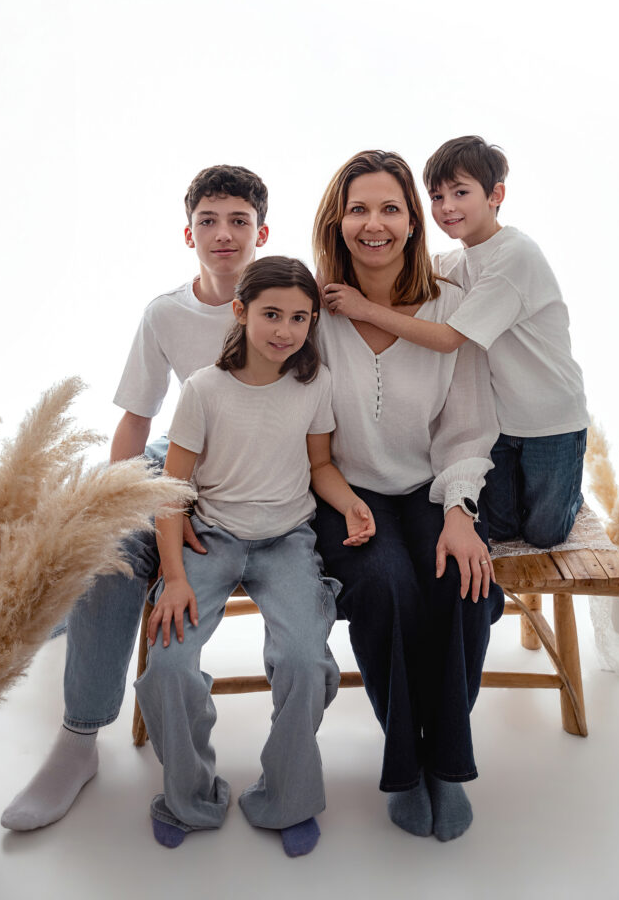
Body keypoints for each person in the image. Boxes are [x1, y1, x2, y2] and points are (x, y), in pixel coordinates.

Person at [1, 164, 270, 832]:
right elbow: (137, 420)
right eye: (209, 220)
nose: (224, 234)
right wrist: (110, 503)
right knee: (108, 549)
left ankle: (73, 624)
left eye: (239, 220)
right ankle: (79, 739)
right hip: (175, 461)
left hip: (253, 479)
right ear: (188, 234)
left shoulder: (290, 300)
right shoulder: (166, 313)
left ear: (262, 231)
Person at [135, 256, 375, 855]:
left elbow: (320, 465)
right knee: (167, 665)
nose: (286, 330)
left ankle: (287, 796)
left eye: (300, 318)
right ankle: (188, 796)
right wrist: (174, 577)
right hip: (211, 540)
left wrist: (349, 505)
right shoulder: (203, 391)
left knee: (303, 661)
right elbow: (171, 489)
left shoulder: (312, 384)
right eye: (272, 314)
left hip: (287, 540)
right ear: (240, 312)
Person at [312, 150, 504, 843]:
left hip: (429, 486)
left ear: (412, 221)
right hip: (341, 493)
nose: (374, 223)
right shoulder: (314, 307)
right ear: (337, 220)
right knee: (387, 585)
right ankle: (404, 765)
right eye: (358, 208)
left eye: (390, 208)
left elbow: (468, 424)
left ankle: (445, 765)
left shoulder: (450, 306)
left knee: (465, 582)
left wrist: (457, 512)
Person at [322, 135, 589, 549]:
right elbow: (405, 268)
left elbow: (447, 338)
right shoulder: (456, 262)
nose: (447, 207)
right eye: (437, 196)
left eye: (461, 193)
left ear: (496, 195)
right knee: (500, 526)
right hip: (499, 422)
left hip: (548, 419)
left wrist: (366, 309)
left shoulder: (514, 255)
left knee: (544, 533)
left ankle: (572, 496)